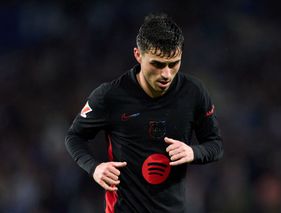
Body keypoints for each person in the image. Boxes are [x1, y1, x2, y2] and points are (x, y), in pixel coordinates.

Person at [65, 13, 223, 213]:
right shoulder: (110, 95)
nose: (166, 74)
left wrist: (194, 151)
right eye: (157, 64)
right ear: (138, 55)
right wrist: (94, 168)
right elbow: (74, 136)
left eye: (173, 64)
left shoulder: (194, 93)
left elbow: (216, 144)